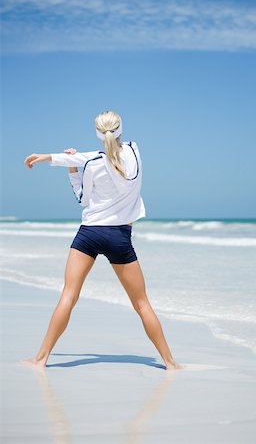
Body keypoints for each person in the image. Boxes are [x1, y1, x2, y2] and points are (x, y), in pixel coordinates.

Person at [22, 110, 182, 370]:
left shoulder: (92, 165)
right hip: (119, 237)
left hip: (89, 234)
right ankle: (170, 363)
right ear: (120, 130)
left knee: (68, 296)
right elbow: (107, 154)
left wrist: (68, 165)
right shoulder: (133, 153)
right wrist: (61, 158)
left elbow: (82, 198)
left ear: (97, 134)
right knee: (141, 304)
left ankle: (40, 359)